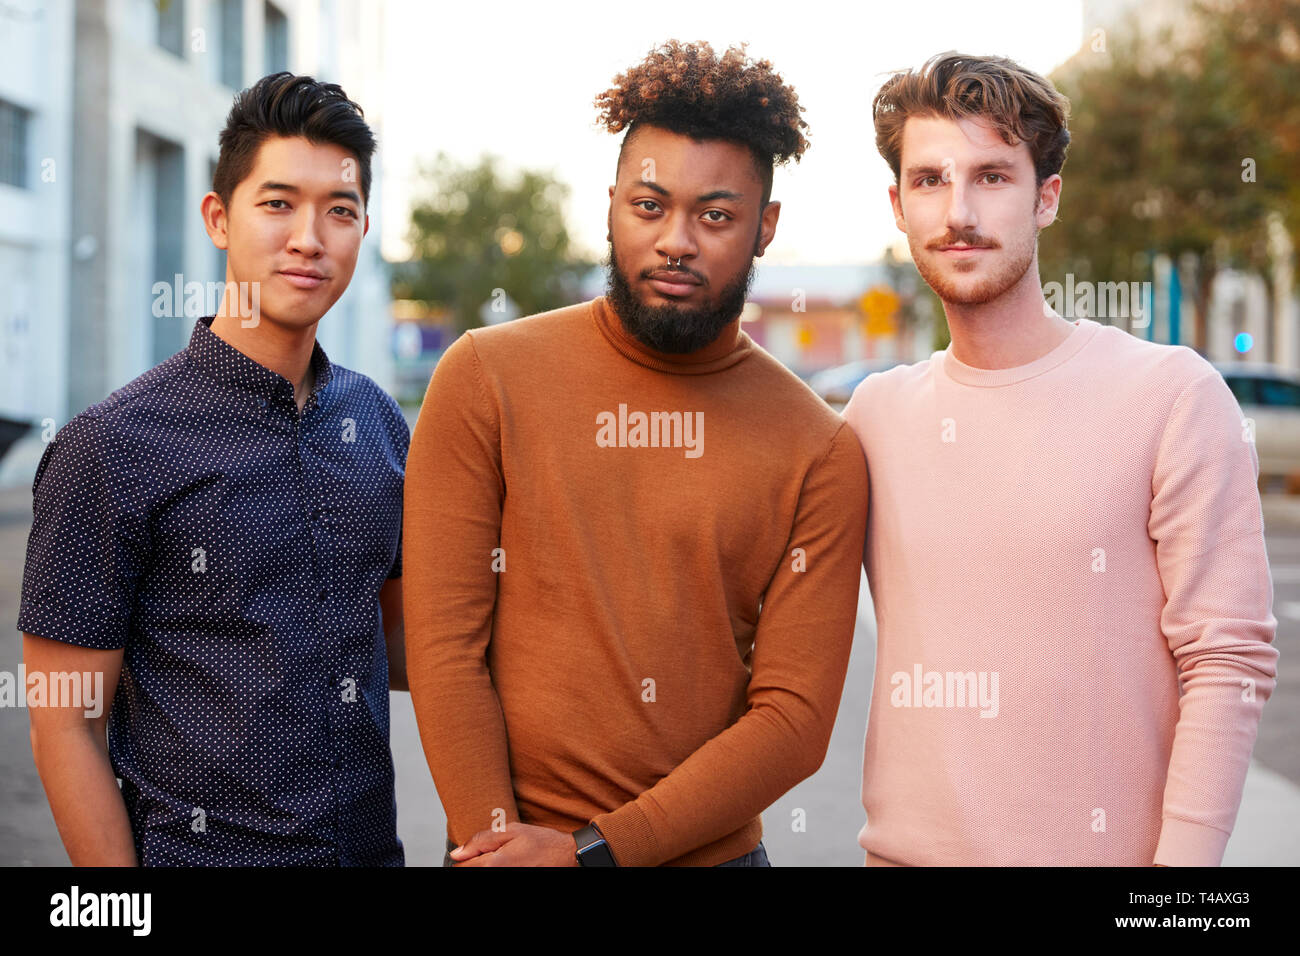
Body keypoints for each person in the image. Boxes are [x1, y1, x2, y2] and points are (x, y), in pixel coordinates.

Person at [404, 39, 868, 867]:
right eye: (650, 206)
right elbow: (446, 649)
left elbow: (794, 720)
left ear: (765, 227)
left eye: (716, 215)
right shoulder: (484, 377)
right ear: (611, 204)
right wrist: (497, 840)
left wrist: (592, 855)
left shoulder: (819, 447)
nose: (676, 241)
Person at [844, 52, 1278, 866]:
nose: (960, 211)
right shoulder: (874, 416)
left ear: (1046, 197)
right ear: (899, 207)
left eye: (993, 177)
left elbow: (1228, 658)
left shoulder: (1170, 395)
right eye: (931, 180)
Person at [20, 72, 409, 866]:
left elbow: (409, 647)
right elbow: (65, 721)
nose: (310, 236)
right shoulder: (113, 446)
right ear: (218, 218)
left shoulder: (375, 423)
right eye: (277, 203)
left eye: (340, 210)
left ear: (363, 229)